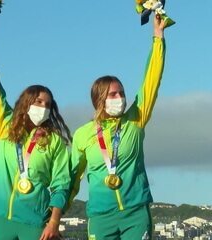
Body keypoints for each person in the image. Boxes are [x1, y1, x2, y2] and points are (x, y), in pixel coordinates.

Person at [69, 15, 169, 240]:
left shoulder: (135, 120)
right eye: (113, 94)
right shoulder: (84, 134)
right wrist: (56, 215)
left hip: (135, 212)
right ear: (99, 99)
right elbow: (72, 178)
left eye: (122, 93)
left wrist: (158, 37)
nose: (120, 98)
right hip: (100, 216)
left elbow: (151, 80)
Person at [0, 25, 72, 240]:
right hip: (3, 219)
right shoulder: (6, 125)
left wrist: (54, 222)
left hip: (35, 222)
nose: (43, 108)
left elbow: (61, 185)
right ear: (27, 103)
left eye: (48, 104)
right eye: (38, 102)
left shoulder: (54, 141)